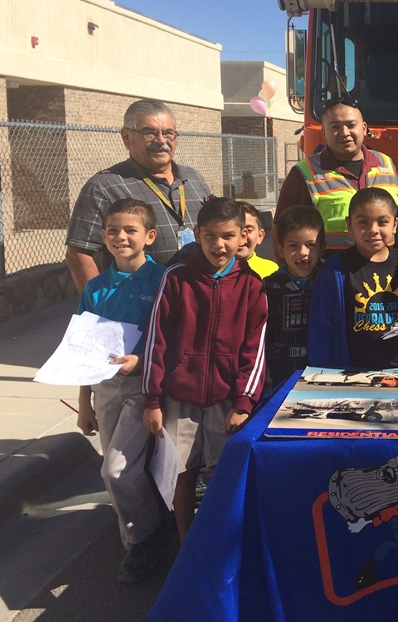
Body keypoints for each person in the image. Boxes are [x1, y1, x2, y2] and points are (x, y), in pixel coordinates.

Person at [142, 198, 268, 543]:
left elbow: (254, 351)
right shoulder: (177, 278)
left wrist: (243, 402)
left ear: (243, 236)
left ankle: (219, 545)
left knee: (223, 476)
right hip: (178, 396)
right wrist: (152, 398)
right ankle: (184, 545)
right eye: (210, 235)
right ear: (197, 234)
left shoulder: (252, 285)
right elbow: (157, 340)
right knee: (180, 474)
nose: (219, 244)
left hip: (225, 400)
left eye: (227, 235)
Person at [75, 199, 169, 582]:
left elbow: (172, 337)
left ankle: (146, 540)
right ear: (103, 236)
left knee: (117, 469)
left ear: (149, 236)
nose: (121, 237)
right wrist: (84, 402)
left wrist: (142, 362)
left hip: (146, 386)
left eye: (130, 230)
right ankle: (134, 538)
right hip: (106, 388)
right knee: (116, 470)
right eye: (113, 230)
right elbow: (82, 346)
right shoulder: (96, 288)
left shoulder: (165, 279)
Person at [66, 99, 212, 290]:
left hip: (196, 300)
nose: (161, 141)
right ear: (127, 137)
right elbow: (78, 253)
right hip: (137, 308)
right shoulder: (104, 186)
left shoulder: (194, 179)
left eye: (168, 133)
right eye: (149, 133)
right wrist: (100, 303)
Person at [308, 187, 398, 370]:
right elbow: (321, 330)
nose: (373, 230)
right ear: (349, 225)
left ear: (395, 224)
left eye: (382, 222)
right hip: (351, 374)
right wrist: (323, 373)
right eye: (363, 222)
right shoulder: (334, 270)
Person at [274, 99, 398, 252]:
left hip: (386, 270)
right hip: (331, 272)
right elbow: (281, 229)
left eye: (351, 125)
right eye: (335, 127)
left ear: (364, 128)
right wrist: (289, 274)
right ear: (324, 133)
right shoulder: (303, 173)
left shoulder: (386, 163)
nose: (344, 133)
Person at [264, 205, 325, 389]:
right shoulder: (267, 287)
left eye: (311, 245)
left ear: (323, 248)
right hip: (277, 376)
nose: (303, 252)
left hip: (319, 374)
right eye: (293, 245)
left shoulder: (328, 283)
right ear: (280, 249)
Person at [237, 201, 278, 278]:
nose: (242, 236)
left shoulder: (272, 271)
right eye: (234, 231)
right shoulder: (213, 272)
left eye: (248, 230)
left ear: (260, 236)